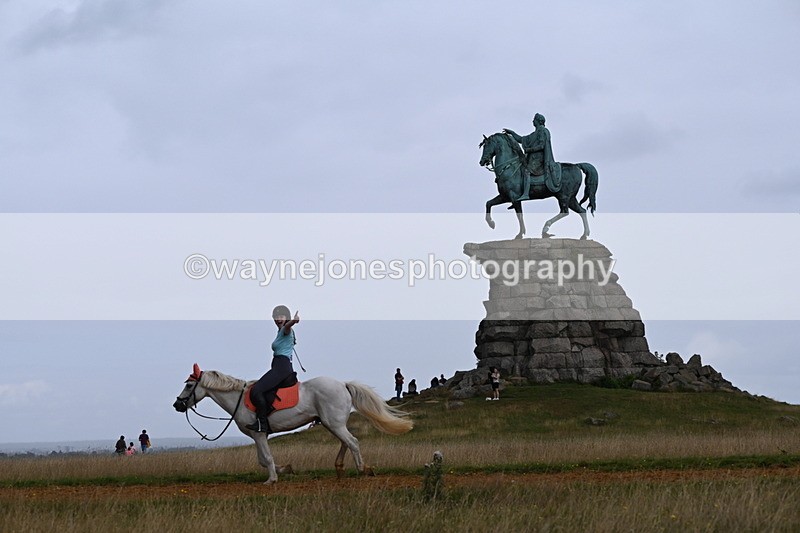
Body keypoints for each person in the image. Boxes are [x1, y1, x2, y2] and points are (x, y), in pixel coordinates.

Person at [246, 305, 300, 433]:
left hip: (281, 367)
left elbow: (288, 326)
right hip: (280, 366)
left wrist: (293, 321)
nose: (278, 319)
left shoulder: (285, 330)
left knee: (256, 390)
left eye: (281, 316)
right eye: (276, 317)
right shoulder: (280, 332)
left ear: (286, 318)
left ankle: (262, 424)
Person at [502, 113, 561, 201]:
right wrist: (512, 133)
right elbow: (521, 139)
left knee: (526, 171)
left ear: (538, 121)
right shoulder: (534, 133)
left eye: (534, 119)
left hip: (539, 159)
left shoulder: (543, 131)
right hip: (532, 158)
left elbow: (542, 146)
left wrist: (529, 150)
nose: (533, 121)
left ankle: (526, 194)